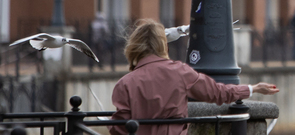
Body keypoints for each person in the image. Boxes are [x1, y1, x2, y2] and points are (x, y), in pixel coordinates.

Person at [110, 19, 279, 135]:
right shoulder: (180, 72)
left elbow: (118, 127)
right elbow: (217, 92)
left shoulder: (124, 84)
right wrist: (252, 89)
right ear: (164, 47)